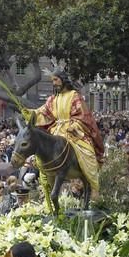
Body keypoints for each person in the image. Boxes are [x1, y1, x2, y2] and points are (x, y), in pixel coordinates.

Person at [28, 68, 104, 197]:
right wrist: (29, 113)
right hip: (56, 130)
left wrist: (74, 125)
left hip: (73, 129)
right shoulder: (52, 99)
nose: (54, 83)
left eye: (56, 80)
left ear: (63, 80)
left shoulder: (74, 95)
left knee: (87, 152)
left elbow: (83, 115)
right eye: (52, 81)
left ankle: (92, 183)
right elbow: (43, 112)